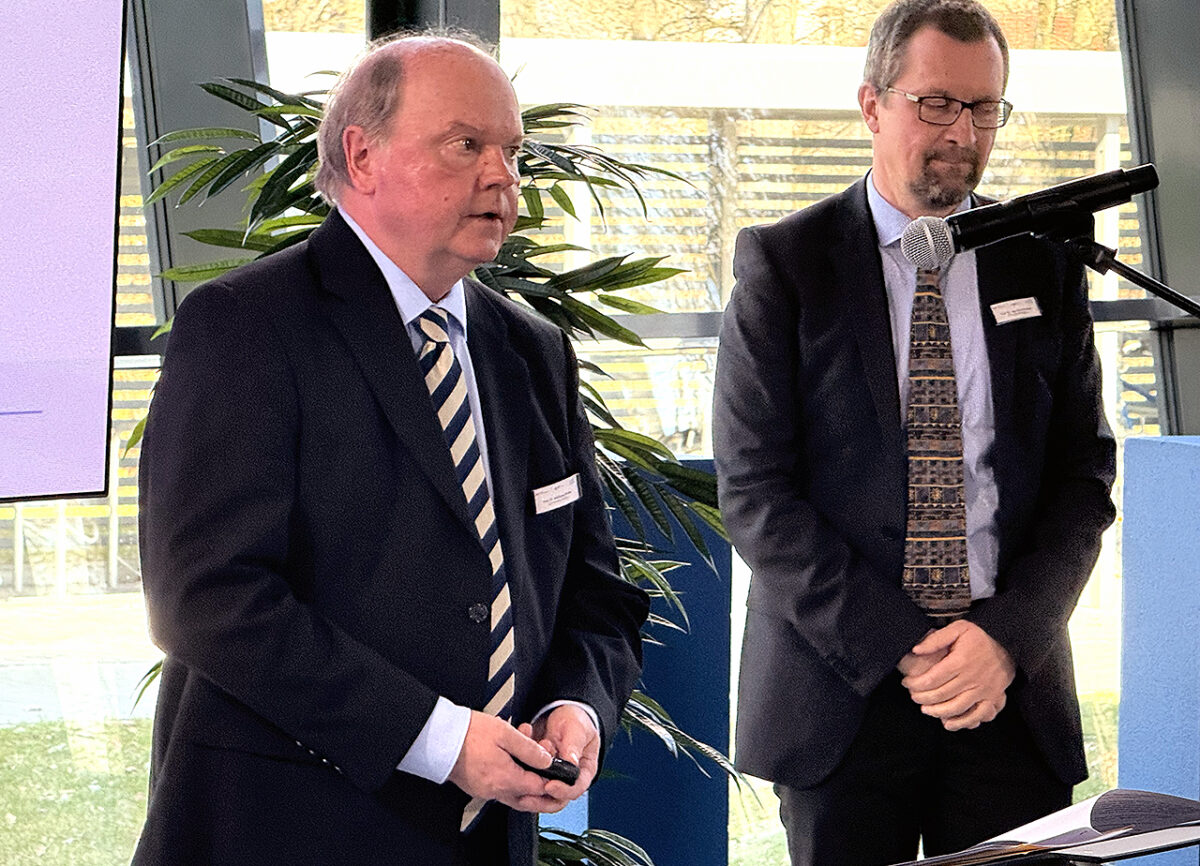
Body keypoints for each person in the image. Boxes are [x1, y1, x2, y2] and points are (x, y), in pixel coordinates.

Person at [132, 34, 649, 866]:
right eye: (465, 144)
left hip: (489, 838)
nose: (502, 176)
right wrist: (439, 740)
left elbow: (594, 589)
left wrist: (577, 705)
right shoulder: (247, 326)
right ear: (361, 156)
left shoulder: (533, 349)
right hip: (287, 834)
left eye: (512, 151)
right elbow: (209, 598)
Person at [713, 0, 1117, 863]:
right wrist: (906, 646)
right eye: (936, 104)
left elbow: (1083, 478)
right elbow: (754, 492)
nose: (962, 133)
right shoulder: (787, 264)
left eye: (984, 108)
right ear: (873, 104)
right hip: (843, 693)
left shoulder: (1039, 259)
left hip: (1006, 691)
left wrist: (1004, 639)